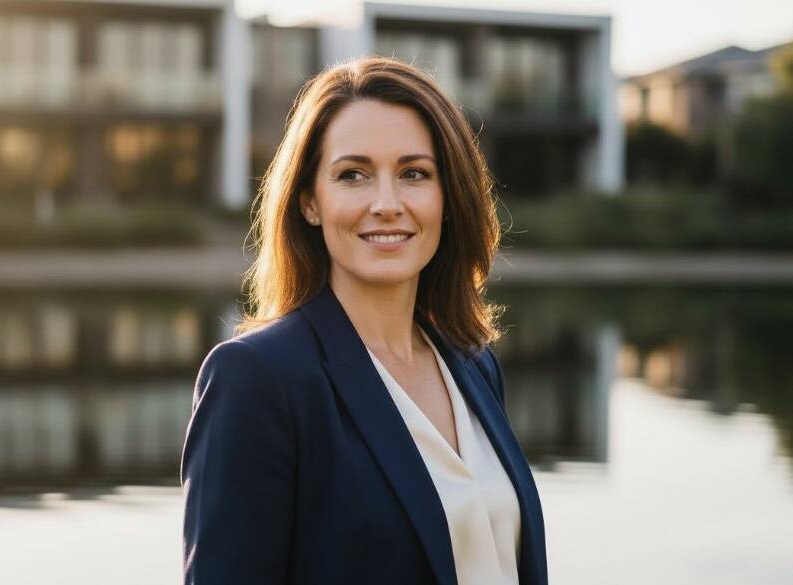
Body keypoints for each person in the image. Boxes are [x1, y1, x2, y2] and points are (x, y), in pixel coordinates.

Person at [181, 56, 547, 585]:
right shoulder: (258, 380)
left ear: (447, 198)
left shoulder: (474, 365)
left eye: (414, 174)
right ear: (310, 200)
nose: (386, 203)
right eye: (352, 175)